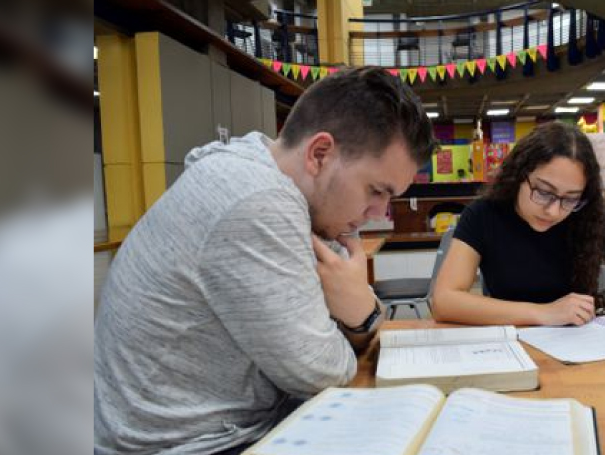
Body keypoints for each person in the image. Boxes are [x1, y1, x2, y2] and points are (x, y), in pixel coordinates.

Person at [94, 67, 435, 454]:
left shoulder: (271, 178)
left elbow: (343, 308)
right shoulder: (256, 201)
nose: (378, 211)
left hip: (229, 428)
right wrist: (363, 316)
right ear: (319, 154)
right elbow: (321, 371)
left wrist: (357, 313)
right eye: (376, 190)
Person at [431, 122, 605, 337]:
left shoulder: (593, 217)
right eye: (543, 193)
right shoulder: (484, 215)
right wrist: (544, 313)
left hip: (578, 349)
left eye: (570, 198)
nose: (554, 211)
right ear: (520, 175)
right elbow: (445, 300)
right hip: (512, 344)